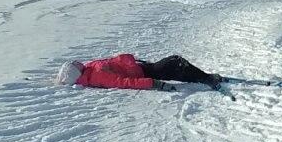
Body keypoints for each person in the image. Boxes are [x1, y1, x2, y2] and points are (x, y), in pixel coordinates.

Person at [54, 52, 223, 90]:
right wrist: (154, 84)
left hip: (138, 66)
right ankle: (207, 78)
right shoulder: (97, 76)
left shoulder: (89, 68)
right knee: (175, 63)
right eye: (74, 64)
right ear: (76, 72)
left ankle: (203, 77)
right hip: (143, 74)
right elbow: (124, 82)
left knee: (174, 67)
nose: (77, 62)